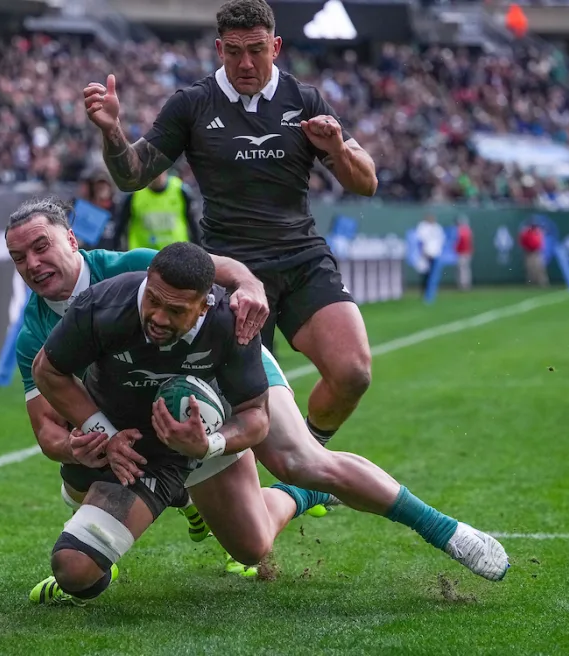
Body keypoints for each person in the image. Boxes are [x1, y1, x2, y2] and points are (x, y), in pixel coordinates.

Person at [7, 199, 510, 604]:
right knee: (75, 486)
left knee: (299, 461)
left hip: (223, 373)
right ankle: (103, 552)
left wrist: (250, 285)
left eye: (41, 246)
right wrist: (89, 441)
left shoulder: (138, 271)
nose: (33, 263)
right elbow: (47, 427)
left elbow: (213, 270)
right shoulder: (42, 331)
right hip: (140, 419)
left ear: (71, 239)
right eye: (19, 257)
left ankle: (441, 529)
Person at [83, 0, 379, 448]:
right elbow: (133, 175)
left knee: (353, 373)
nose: (245, 63)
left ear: (275, 47)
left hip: (302, 258)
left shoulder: (303, 99)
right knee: (242, 407)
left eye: (256, 50)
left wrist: (336, 149)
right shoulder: (192, 103)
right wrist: (111, 132)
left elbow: (367, 182)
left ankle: (309, 456)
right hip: (231, 270)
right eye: (235, 51)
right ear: (220, 49)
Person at [100, 170, 202, 251]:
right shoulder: (134, 194)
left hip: (176, 254)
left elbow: (193, 225)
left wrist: (199, 250)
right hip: (143, 256)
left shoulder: (180, 190)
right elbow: (120, 227)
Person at [416, 214, 446, 295]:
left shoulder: (437, 227)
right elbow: (420, 241)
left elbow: (441, 240)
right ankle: (425, 292)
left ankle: (431, 293)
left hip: (436, 254)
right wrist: (424, 252)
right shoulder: (422, 227)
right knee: (425, 274)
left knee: (434, 275)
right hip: (425, 254)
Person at [455, 215, 473, 291]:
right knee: (464, 269)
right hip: (465, 252)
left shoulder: (462, 231)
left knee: (462, 269)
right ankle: (464, 284)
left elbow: (460, 243)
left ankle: (464, 285)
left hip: (462, 253)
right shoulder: (467, 230)